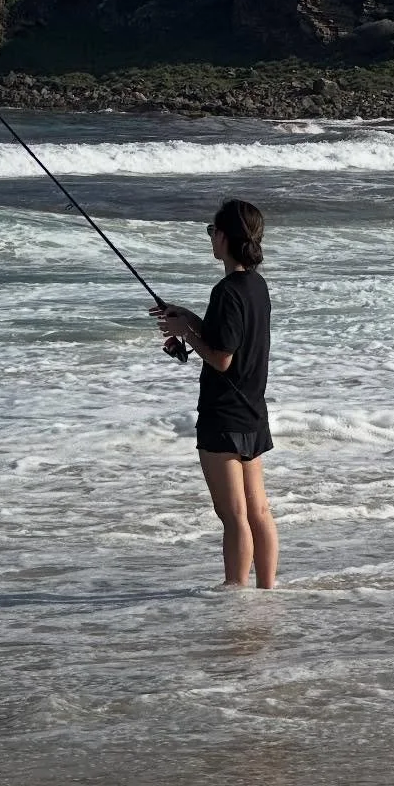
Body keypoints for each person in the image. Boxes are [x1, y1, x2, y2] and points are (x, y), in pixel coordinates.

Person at [155, 200, 278, 590]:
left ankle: (235, 592)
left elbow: (222, 358)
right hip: (252, 413)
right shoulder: (256, 286)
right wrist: (189, 318)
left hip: (222, 417)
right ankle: (267, 590)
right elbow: (230, 339)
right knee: (258, 512)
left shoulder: (226, 291)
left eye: (212, 231)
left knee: (233, 515)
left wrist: (188, 334)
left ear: (224, 238)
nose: (211, 238)